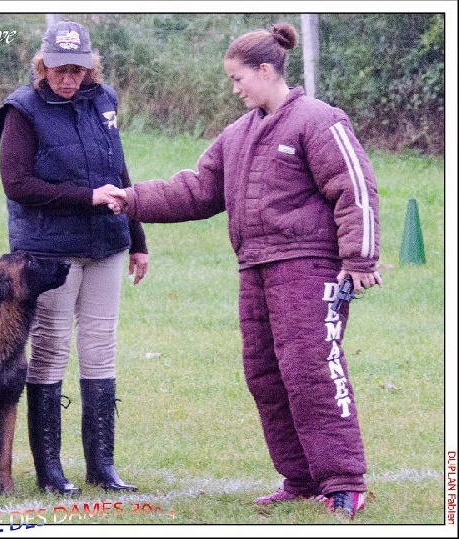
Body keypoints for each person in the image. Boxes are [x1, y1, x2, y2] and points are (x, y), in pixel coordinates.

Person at [101, 22, 381, 519]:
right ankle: (298, 479)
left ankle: (344, 481)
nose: (234, 89)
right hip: (254, 270)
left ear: (266, 70)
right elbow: (196, 189)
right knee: (266, 375)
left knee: (312, 373)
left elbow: (354, 187)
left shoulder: (319, 120)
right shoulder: (238, 134)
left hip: (310, 268)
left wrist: (359, 259)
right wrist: (134, 199)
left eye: (238, 79)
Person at [0, 19, 148, 494]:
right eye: (59, 69)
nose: (68, 78)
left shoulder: (104, 100)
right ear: (42, 65)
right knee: (51, 351)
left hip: (106, 242)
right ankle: (50, 471)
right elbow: (16, 184)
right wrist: (88, 197)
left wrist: (137, 237)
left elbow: (117, 170)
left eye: (77, 70)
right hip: (47, 254)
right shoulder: (21, 110)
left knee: (101, 347)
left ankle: (102, 465)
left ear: (89, 67)